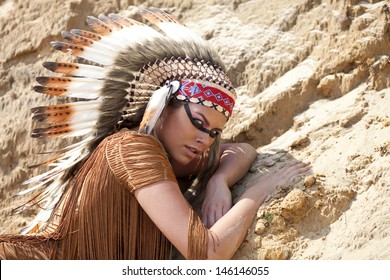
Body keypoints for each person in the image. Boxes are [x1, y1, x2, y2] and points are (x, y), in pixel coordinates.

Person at [0, 8, 310, 260]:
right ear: (162, 107)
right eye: (199, 123)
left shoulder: (182, 153)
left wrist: (219, 182)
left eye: (215, 131)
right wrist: (260, 191)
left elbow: (242, 150)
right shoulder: (132, 148)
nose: (206, 139)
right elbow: (208, 253)